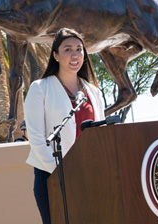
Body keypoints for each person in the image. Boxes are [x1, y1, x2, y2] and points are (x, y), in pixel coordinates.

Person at [24, 28, 105, 224]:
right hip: (50, 175)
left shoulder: (94, 92)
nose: (75, 54)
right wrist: (63, 174)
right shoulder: (39, 89)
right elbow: (36, 140)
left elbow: (102, 137)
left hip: (88, 175)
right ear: (56, 56)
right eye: (67, 49)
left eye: (79, 49)